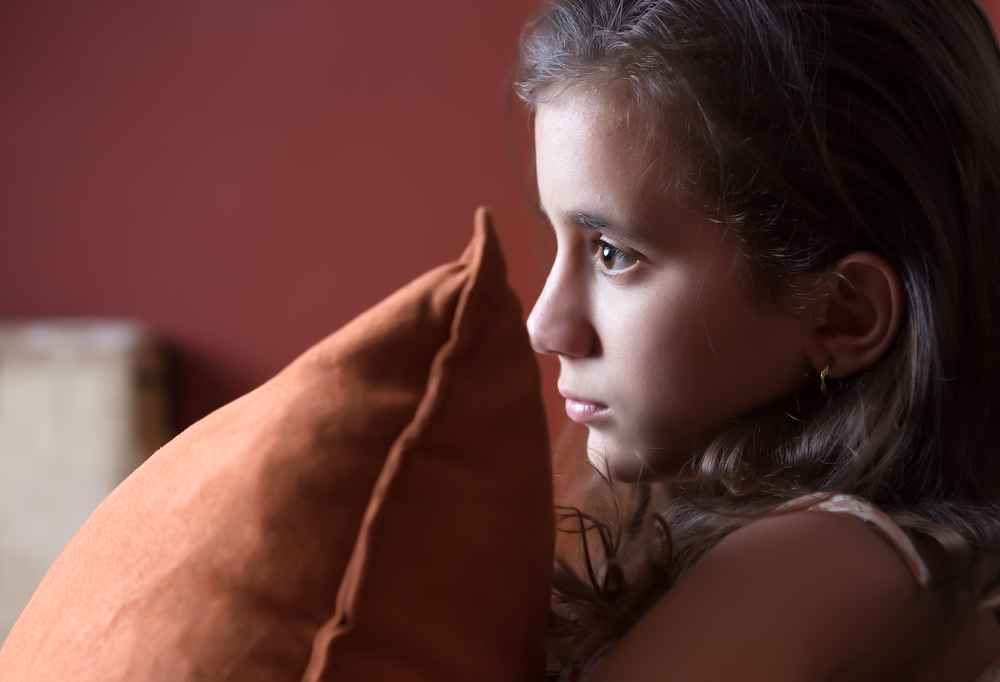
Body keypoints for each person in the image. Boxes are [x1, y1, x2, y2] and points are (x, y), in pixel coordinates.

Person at [514, 0, 1000, 679]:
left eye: (612, 253)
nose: (543, 325)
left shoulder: (815, 560)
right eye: (560, 236)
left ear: (841, 315)